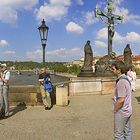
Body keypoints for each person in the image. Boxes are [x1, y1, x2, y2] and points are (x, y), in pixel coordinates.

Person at [112, 61, 132, 140]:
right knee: (128, 132)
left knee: (118, 134)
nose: (112, 70)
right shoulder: (126, 79)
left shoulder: (121, 82)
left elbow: (121, 100)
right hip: (127, 110)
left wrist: (115, 109)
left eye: (113, 69)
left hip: (121, 111)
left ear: (119, 70)